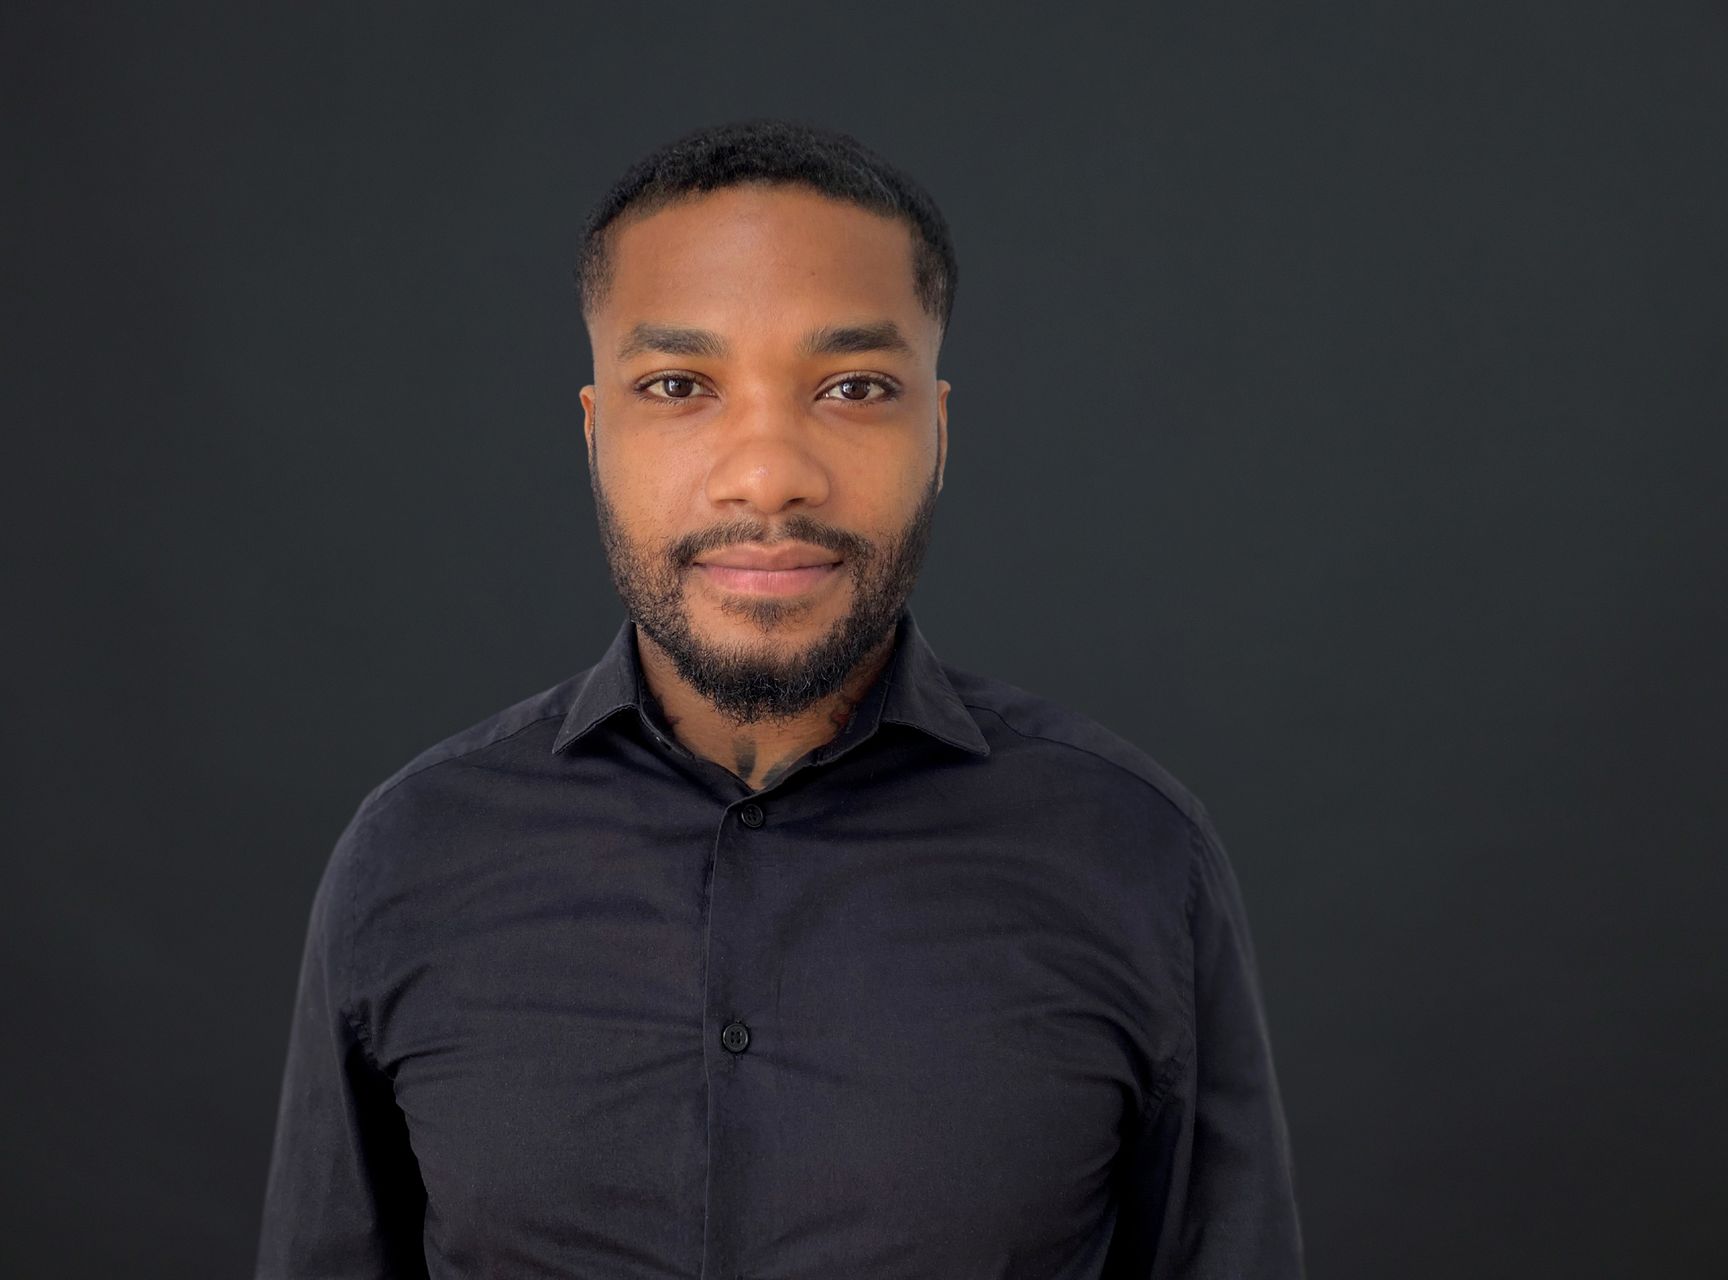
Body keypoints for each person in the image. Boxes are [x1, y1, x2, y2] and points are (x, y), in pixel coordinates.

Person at [255, 118, 1304, 1279]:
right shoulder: (407, 860)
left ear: (939, 431)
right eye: (679, 384)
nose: (768, 474)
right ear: (597, 434)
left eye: (853, 386)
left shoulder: (1135, 857)